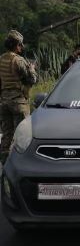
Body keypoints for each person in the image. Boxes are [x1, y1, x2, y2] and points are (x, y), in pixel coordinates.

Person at [0, 30, 37, 164]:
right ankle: (21, 164)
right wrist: (32, 68)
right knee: (22, 135)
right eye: (20, 45)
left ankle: (4, 164)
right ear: (16, 45)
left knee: (7, 134)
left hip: (4, 102)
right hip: (18, 103)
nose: (21, 47)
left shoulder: (1, 59)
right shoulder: (19, 61)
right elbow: (32, 79)